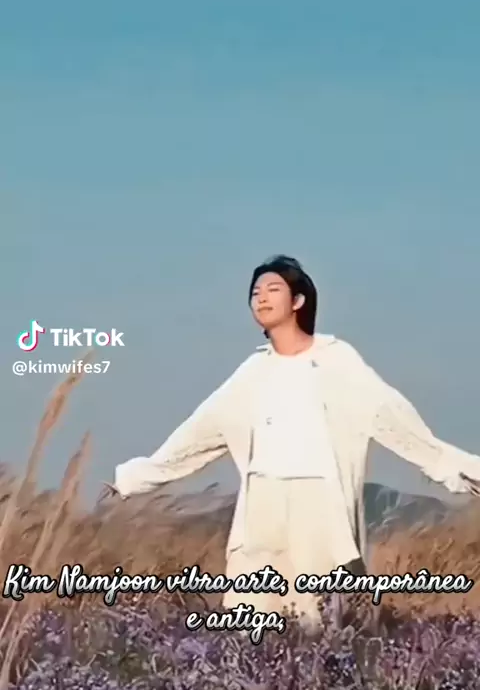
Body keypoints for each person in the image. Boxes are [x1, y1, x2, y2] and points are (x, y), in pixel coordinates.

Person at [112, 255, 480, 628]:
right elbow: (199, 432)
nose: (261, 297)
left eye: (273, 289)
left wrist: (458, 468)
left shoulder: (336, 360)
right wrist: (135, 477)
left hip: (318, 503)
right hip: (262, 506)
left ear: (298, 301)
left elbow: (393, 417)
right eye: (255, 292)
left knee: (319, 618)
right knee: (252, 617)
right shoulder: (253, 371)